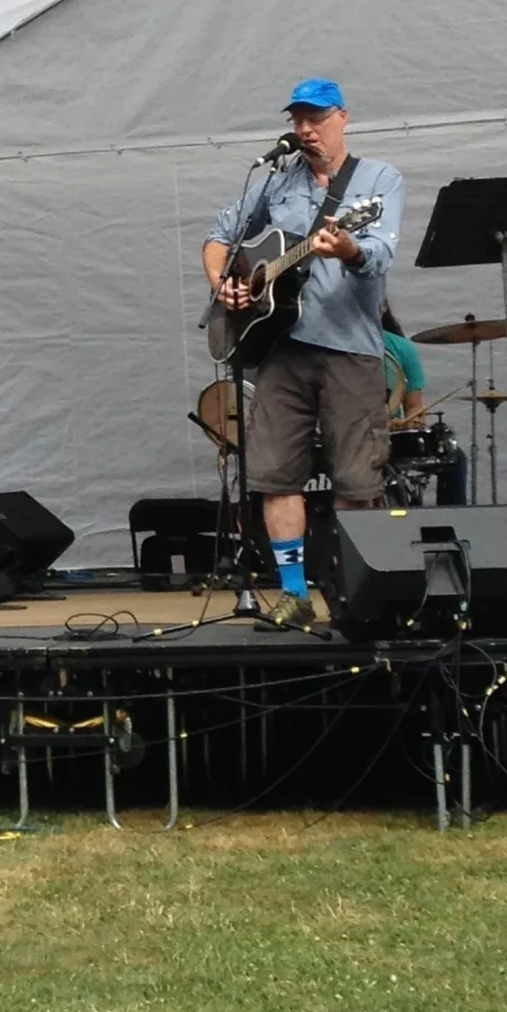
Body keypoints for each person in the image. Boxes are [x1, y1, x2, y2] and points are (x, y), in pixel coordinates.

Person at [202, 79, 404, 631]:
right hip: (280, 350)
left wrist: (350, 247)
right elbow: (220, 235)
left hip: (348, 351)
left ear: (343, 117)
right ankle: (293, 593)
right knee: (275, 476)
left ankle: (356, 590)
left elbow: (381, 253)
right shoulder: (277, 181)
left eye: (315, 118)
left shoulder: (378, 180)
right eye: (297, 120)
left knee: (357, 482)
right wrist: (227, 284)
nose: (305, 130)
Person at [382, 305, 468, 506]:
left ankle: (448, 525)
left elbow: (414, 406)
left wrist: (409, 422)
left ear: (382, 307)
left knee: (453, 457)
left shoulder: (401, 348)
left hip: (390, 437)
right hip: (350, 436)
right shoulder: (333, 348)